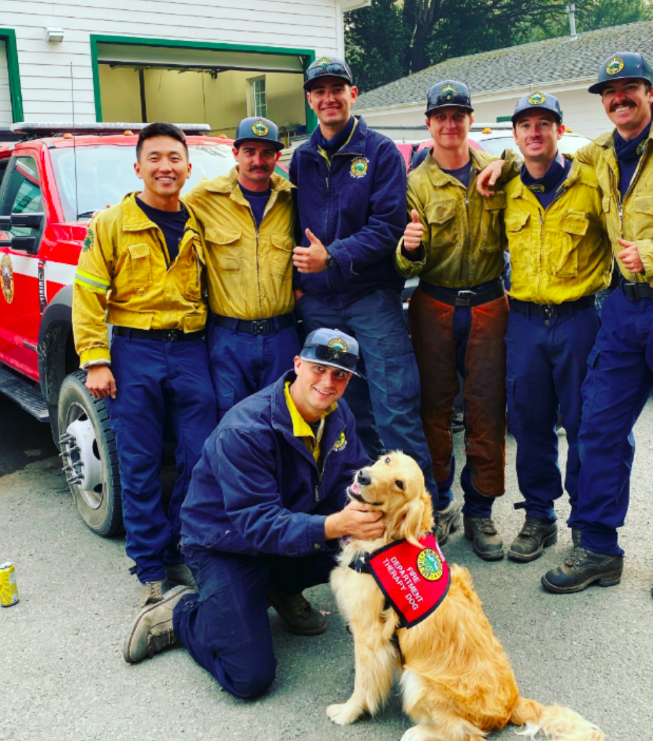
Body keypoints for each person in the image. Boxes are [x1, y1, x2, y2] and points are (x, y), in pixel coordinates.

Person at [122, 329, 378, 699]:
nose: (328, 382)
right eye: (319, 368)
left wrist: (367, 508)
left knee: (367, 542)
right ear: (297, 364)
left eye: (340, 374)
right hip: (227, 542)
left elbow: (351, 477)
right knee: (249, 677)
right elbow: (257, 524)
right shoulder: (246, 430)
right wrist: (335, 524)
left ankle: (278, 586)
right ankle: (182, 614)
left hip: (288, 524)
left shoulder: (338, 414)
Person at [286, 57, 441, 539]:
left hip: (371, 297)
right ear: (310, 99)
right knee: (345, 413)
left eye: (337, 88)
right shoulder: (301, 157)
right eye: (319, 90)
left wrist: (330, 257)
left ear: (354, 93)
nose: (328, 97)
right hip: (317, 304)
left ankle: (422, 524)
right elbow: (288, 225)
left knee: (396, 407)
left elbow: (388, 227)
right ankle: (370, 519)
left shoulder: (378, 152)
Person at [73, 122, 216, 606]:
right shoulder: (111, 224)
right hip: (135, 352)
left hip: (193, 349)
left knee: (198, 458)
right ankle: (151, 570)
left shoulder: (199, 221)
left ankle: (180, 549)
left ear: (188, 167)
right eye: (154, 158)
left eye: (174, 158)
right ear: (138, 167)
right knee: (139, 463)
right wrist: (95, 360)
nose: (165, 167)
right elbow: (88, 293)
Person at [542, 53, 653, 594]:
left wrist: (649, 253)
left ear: (649, 93)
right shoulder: (600, 153)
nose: (618, 98)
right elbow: (545, 157)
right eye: (610, 92)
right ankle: (598, 549)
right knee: (598, 427)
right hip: (625, 310)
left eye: (629, 87)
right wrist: (494, 161)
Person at [489, 92, 609, 588]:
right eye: (525, 125)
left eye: (544, 124)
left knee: (586, 424)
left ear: (560, 130)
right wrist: (500, 166)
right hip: (524, 322)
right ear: (515, 135)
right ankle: (539, 516)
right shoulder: (505, 187)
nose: (534, 132)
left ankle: (586, 527)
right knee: (529, 422)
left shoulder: (591, 183)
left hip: (580, 319)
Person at [397, 81, 516, 561]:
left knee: (488, 408)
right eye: (440, 116)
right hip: (435, 304)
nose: (449, 124)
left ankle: (480, 509)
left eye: (458, 115)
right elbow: (404, 264)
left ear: (470, 120)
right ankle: (440, 500)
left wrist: (506, 164)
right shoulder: (413, 184)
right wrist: (411, 249)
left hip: (489, 302)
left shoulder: (498, 172)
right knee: (434, 409)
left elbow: (543, 165)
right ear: (428, 124)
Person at [184, 117, 300, 417]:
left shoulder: (293, 199)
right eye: (249, 151)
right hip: (228, 340)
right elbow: (162, 210)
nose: (257, 161)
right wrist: (116, 214)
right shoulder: (204, 198)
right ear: (235, 153)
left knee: (283, 418)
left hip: (282, 338)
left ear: (278, 156)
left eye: (267, 153)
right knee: (232, 422)